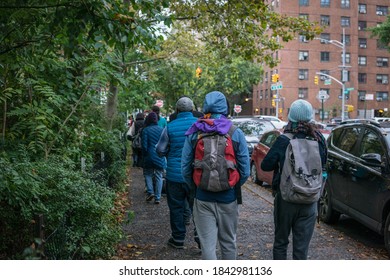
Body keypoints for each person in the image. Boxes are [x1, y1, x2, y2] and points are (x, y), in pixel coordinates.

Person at [181, 91, 250, 260]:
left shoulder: (196, 131)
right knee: (228, 242)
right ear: (225, 108)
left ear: (205, 107)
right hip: (228, 198)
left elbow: (184, 168)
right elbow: (246, 170)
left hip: (203, 197)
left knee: (207, 246)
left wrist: (196, 187)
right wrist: (231, 185)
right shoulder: (235, 132)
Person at [261, 99, 327, 260]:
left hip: (286, 199)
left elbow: (265, 165)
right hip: (310, 199)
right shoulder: (319, 140)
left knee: (281, 243)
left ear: (290, 118)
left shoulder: (284, 140)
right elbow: (323, 164)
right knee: (301, 249)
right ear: (310, 118)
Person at [156, 97, 199, 249]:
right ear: (192, 109)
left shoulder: (170, 126)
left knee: (176, 207)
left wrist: (170, 153)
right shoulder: (199, 125)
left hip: (174, 175)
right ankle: (200, 239)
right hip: (195, 175)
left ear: (177, 110)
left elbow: (160, 150)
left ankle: (178, 239)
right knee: (197, 208)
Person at [141, 112, 166, 204]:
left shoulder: (146, 130)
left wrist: (144, 155)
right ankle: (158, 197)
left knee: (148, 174)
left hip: (149, 155)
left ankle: (150, 192)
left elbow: (144, 145)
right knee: (159, 175)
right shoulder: (162, 129)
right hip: (159, 155)